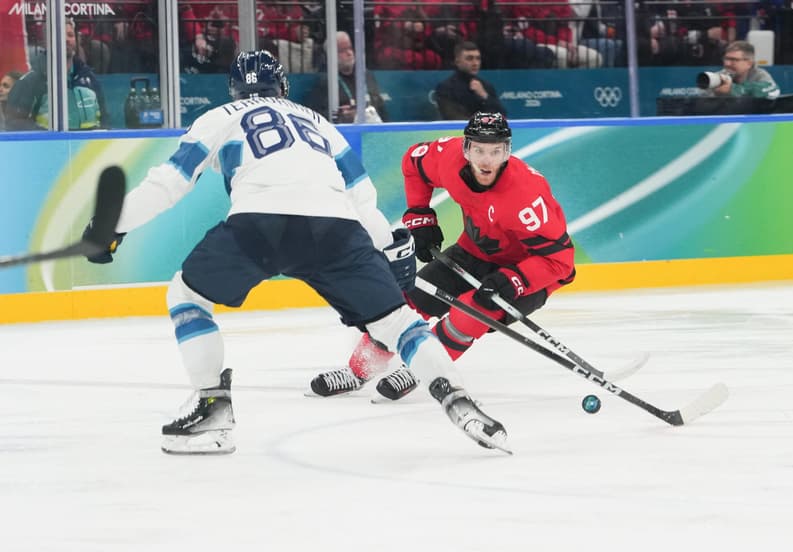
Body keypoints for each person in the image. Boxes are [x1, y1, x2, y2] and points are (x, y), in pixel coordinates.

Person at [81, 50, 509, 455]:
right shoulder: (319, 122)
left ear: (235, 90)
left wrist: (111, 228)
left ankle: (213, 407)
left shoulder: (218, 117)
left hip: (260, 224)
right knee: (399, 321)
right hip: (337, 229)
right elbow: (362, 197)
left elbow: (168, 183)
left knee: (186, 297)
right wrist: (386, 246)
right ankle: (457, 397)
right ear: (282, 87)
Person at [309, 112, 575, 402]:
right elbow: (413, 162)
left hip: (527, 272)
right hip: (473, 252)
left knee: (468, 311)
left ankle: (422, 369)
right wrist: (420, 215)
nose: (487, 161)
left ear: (507, 152)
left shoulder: (526, 194)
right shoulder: (449, 159)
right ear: (466, 149)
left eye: (496, 151)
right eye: (479, 150)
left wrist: (512, 281)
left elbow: (561, 262)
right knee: (405, 303)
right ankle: (358, 370)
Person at [4, 20, 108, 130]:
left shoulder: (89, 79)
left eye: (70, 35)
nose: (66, 39)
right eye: (60, 35)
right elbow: (14, 124)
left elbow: (104, 120)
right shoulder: (29, 82)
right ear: (46, 42)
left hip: (89, 147)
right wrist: (47, 139)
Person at [306, 31, 388, 123]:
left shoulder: (366, 75)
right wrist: (340, 116)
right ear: (331, 55)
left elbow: (381, 108)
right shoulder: (325, 81)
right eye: (342, 50)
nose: (349, 53)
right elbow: (315, 115)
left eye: (350, 48)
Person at [434, 42, 505, 120]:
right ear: (457, 62)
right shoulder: (445, 87)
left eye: (478, 58)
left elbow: (501, 115)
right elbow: (452, 117)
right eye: (469, 58)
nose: (475, 63)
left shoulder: (486, 86)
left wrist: (485, 96)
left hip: (486, 131)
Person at [707, 41, 780, 99]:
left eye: (733, 60)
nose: (727, 63)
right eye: (726, 59)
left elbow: (774, 91)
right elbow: (699, 94)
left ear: (749, 63)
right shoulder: (720, 76)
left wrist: (734, 89)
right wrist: (713, 93)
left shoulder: (759, 74)